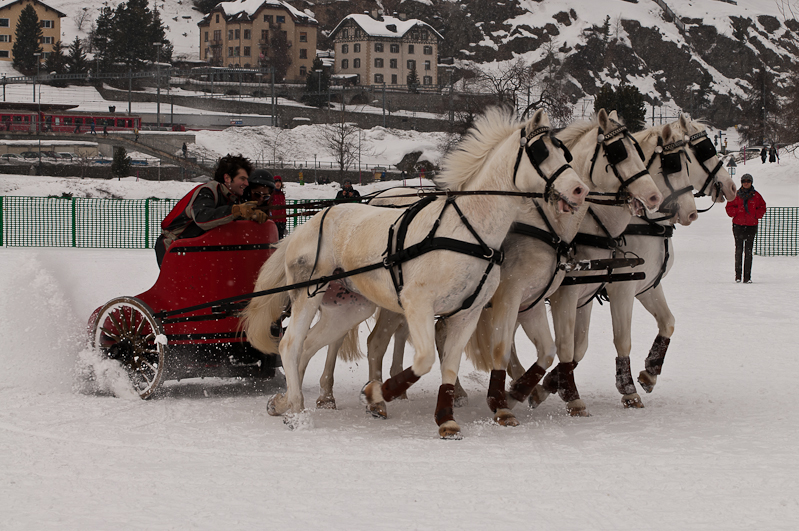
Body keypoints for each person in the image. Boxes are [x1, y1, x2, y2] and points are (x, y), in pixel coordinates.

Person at [155, 154, 267, 267]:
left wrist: (250, 216)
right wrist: (237, 211)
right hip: (174, 246)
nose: (246, 184)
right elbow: (203, 219)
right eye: (242, 179)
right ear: (227, 178)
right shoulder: (207, 191)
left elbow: (228, 220)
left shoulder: (233, 198)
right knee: (183, 283)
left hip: (196, 248)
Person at [725, 173, 766, 284]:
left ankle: (747, 277)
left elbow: (762, 207)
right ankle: (738, 276)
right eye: (744, 181)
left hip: (751, 226)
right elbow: (729, 207)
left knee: (748, 252)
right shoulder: (736, 195)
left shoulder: (756, 196)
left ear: (751, 182)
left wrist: (756, 215)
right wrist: (737, 212)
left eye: (748, 181)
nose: (746, 183)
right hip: (738, 226)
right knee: (738, 250)